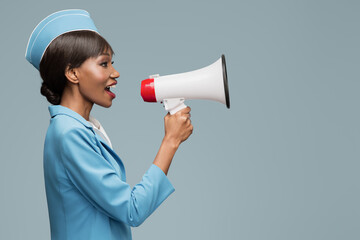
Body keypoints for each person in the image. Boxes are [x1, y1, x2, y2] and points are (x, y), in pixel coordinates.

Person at [25, 9, 193, 240]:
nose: (116, 73)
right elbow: (132, 210)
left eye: (112, 63)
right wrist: (171, 141)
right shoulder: (69, 133)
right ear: (72, 73)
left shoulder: (82, 128)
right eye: (104, 64)